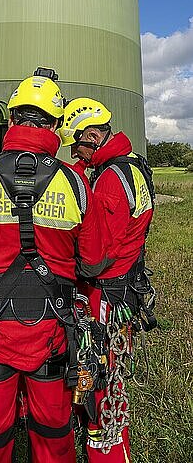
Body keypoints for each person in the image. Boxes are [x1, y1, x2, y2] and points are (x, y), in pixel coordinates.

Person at [0, 69, 108, 463]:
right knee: (53, 436)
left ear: (11, 119)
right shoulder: (75, 184)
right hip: (52, 335)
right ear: (58, 126)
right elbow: (93, 262)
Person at [60, 98, 156, 463]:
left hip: (106, 294)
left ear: (95, 135)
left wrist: (67, 267)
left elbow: (98, 256)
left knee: (101, 377)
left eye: (79, 144)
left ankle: (108, 452)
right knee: (102, 371)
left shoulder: (112, 180)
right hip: (125, 286)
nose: (76, 152)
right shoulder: (130, 165)